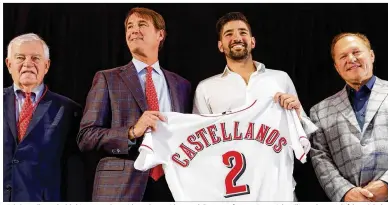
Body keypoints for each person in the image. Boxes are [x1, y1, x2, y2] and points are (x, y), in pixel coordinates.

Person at [192, 12, 319, 201]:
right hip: (230, 193)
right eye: (228, 34)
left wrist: (298, 113)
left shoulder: (280, 79)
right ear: (220, 46)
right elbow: (199, 145)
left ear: (252, 41)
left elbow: (304, 136)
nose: (236, 38)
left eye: (242, 32)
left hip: (278, 189)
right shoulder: (205, 88)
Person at [77, 7, 192, 202]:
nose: (133, 30)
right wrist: (131, 132)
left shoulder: (182, 85)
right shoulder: (107, 79)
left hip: (171, 186)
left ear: (160, 35)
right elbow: (86, 136)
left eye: (142, 25)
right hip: (122, 188)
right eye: (129, 26)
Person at [3, 33, 84, 201]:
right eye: (20, 57)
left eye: (35, 58)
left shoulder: (68, 110)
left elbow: (75, 169)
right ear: (8, 64)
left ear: (46, 66)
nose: (28, 64)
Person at [309, 32, 388, 202]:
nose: (351, 59)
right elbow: (320, 157)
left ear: (372, 55)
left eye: (356, 52)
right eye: (343, 56)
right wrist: (345, 192)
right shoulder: (319, 111)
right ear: (337, 67)